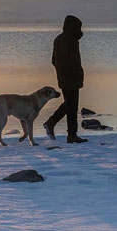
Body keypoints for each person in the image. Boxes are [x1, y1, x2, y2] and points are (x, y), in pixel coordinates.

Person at [44, 15, 88, 143]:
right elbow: (74, 61)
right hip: (71, 78)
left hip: (64, 77)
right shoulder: (71, 40)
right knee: (71, 105)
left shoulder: (59, 39)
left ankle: (69, 134)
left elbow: (53, 60)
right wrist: (77, 73)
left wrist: (60, 71)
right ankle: (54, 124)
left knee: (69, 104)